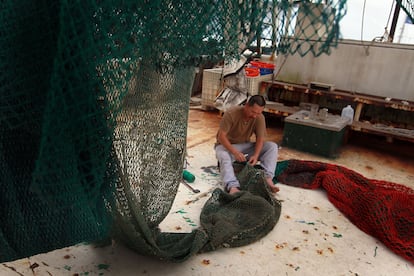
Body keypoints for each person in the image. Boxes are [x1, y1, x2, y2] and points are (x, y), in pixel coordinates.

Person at [215, 95, 279, 194]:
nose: (255, 116)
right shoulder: (231, 113)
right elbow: (221, 136)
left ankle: (267, 178)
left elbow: (260, 138)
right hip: (226, 146)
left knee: (272, 147)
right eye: (253, 112)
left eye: (258, 113)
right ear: (247, 106)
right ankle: (232, 186)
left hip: (245, 145)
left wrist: (256, 155)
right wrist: (235, 152)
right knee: (223, 155)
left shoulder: (259, 117)